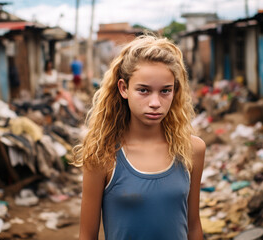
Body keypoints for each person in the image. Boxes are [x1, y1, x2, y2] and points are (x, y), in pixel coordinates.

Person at [74, 34, 205, 240]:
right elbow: (87, 236)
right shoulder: (103, 155)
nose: (155, 102)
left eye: (165, 91)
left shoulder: (192, 150)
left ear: (175, 92)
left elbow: (194, 227)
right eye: (143, 90)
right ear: (123, 88)